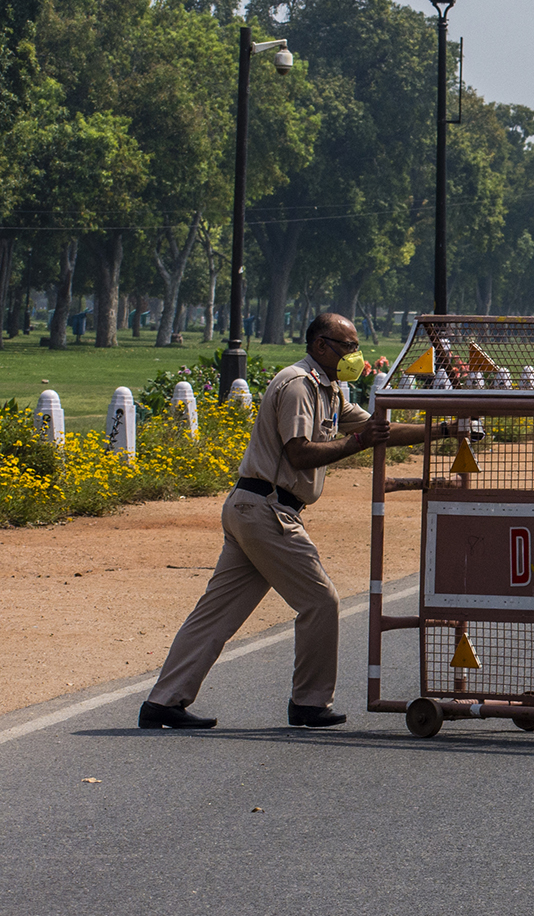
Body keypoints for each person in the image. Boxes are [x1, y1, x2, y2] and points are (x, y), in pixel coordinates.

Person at [139, 313, 460, 730]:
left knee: (216, 613)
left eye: (355, 346)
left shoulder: (328, 388)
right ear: (321, 345)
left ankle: (162, 702)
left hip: (252, 507)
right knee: (320, 601)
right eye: (346, 346)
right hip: (269, 509)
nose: (354, 354)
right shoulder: (298, 386)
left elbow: (377, 427)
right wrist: (357, 443)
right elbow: (300, 453)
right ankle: (309, 702)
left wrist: (444, 428)